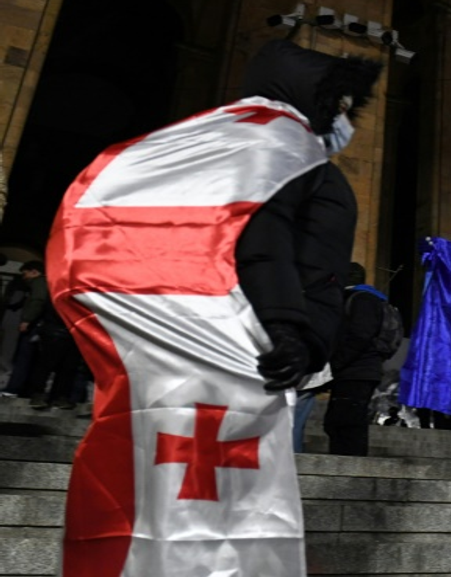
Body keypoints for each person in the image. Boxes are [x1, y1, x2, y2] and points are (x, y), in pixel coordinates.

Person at [48, 39, 383, 575]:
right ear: (313, 98)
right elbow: (265, 240)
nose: (347, 120)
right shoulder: (283, 144)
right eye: (339, 104)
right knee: (225, 486)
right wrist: (290, 328)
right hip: (245, 337)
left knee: (174, 477)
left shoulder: (230, 138)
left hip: (229, 330)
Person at [324, 262, 401, 456]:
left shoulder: (362, 300)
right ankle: (346, 461)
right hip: (357, 369)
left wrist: (336, 363)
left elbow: (360, 335)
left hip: (357, 369)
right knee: (340, 421)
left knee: (347, 423)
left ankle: (350, 464)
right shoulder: (364, 298)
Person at [0, 261, 48, 398]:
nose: (24, 277)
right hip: (39, 326)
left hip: (34, 326)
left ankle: (14, 388)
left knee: (24, 357)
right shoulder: (43, 283)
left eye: (25, 273)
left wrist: (27, 320)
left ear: (34, 272)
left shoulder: (38, 283)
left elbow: (38, 300)